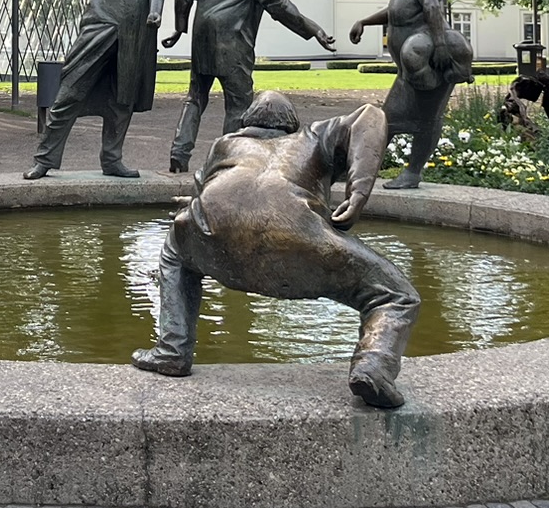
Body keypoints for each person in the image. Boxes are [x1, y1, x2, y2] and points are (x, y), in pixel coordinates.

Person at [132, 94, 419, 409]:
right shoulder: (312, 136)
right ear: (291, 126)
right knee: (397, 295)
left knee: (178, 243)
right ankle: (373, 363)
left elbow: (204, 190)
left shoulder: (226, 143)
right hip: (297, 238)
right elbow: (370, 117)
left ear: (247, 124)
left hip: (214, 241)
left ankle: (173, 348)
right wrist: (358, 192)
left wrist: (200, 207)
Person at [162, 0, 336, 172]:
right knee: (239, 104)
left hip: (203, 39)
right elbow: (278, 4)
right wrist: (313, 29)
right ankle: (227, 164)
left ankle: (179, 152)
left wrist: (180, 29)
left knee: (195, 97)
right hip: (231, 41)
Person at [27, 0, 172, 179]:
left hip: (134, 27)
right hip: (98, 21)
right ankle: (44, 159)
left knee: (123, 96)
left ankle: (112, 159)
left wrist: (155, 9)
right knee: (69, 87)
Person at [348, 0, 473, 190]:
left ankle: (409, 173)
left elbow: (431, 4)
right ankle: (364, 173)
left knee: (412, 119)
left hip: (430, 60)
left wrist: (439, 44)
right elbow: (399, 12)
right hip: (412, 67)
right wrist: (365, 21)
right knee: (389, 121)